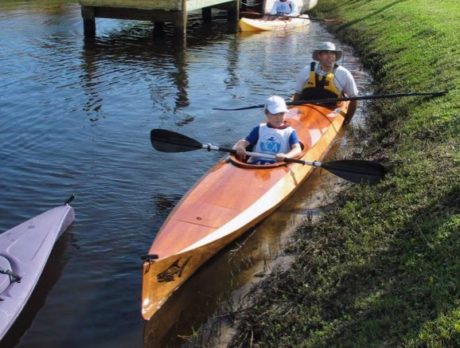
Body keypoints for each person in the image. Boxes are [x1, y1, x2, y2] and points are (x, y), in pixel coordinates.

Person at [293, 41, 359, 122]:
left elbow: (354, 99)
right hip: (305, 110)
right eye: (325, 53)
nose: (329, 56)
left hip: (330, 111)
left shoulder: (344, 74)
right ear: (319, 56)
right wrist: (293, 114)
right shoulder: (306, 71)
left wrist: (347, 121)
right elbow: (297, 95)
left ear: (335, 56)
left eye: (332, 53)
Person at [234, 95, 302, 165]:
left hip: (276, 165)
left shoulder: (289, 132)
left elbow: (297, 149)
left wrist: (286, 156)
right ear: (266, 113)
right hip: (255, 164)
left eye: (281, 114)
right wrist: (240, 146)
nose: (279, 118)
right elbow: (245, 141)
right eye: (275, 114)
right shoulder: (259, 129)